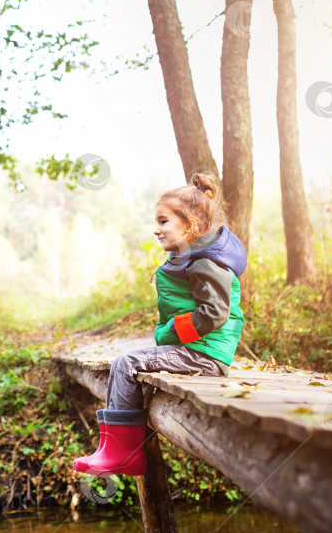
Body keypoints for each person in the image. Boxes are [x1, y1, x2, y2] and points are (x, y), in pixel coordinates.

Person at [72, 173, 247, 476]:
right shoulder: (188, 258)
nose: (156, 230)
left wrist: (169, 333)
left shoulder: (206, 262)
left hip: (205, 355)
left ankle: (123, 453)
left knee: (126, 364)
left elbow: (215, 313)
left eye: (164, 222)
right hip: (196, 350)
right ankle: (111, 448)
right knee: (126, 364)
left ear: (190, 225)